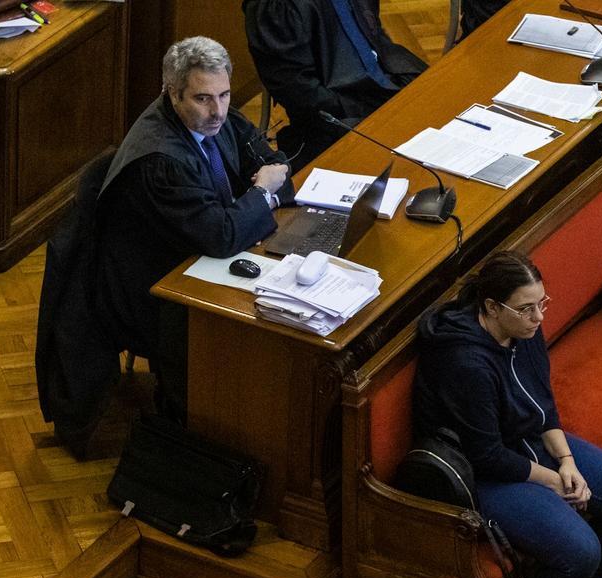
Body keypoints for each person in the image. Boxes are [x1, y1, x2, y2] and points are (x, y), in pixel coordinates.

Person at [413, 251, 602, 578]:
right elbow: (486, 455)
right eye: (526, 308)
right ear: (491, 308)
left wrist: (567, 461)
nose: (538, 316)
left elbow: (543, 401)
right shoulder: (464, 362)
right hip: (483, 473)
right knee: (579, 548)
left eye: (542, 303)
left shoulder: (524, 329)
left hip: (526, 447)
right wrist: (555, 482)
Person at [94, 36, 294, 422]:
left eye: (224, 95)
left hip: (199, 252)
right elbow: (220, 235)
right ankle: (201, 423)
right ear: (172, 94)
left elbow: (278, 167)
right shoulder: (161, 159)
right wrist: (260, 193)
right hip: (155, 287)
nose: (217, 110)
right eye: (203, 98)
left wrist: (261, 194)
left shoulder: (220, 117)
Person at [243, 0, 427, 170]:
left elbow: (375, 38)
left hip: (382, 86)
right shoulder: (274, 7)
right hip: (336, 116)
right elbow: (300, 93)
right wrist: (365, 110)